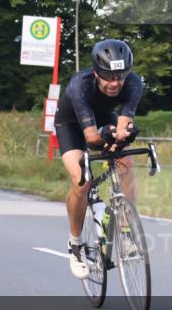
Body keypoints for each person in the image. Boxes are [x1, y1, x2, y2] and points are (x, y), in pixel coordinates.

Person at [54, 39, 143, 279]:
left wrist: (123, 135)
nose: (115, 83)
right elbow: (92, 138)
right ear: (96, 72)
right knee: (82, 181)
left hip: (104, 118)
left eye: (120, 76)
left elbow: (123, 125)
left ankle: (126, 232)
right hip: (71, 125)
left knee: (126, 161)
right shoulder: (79, 85)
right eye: (108, 77)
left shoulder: (134, 83)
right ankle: (75, 244)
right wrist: (106, 136)